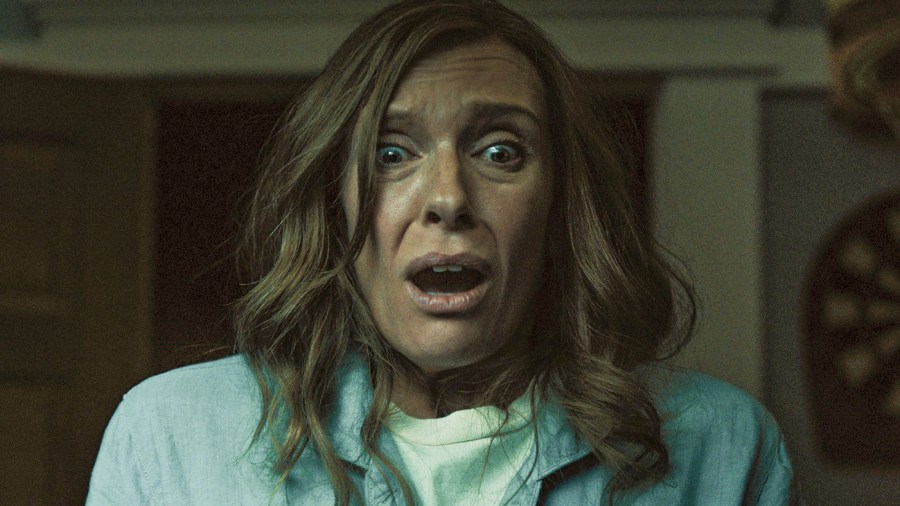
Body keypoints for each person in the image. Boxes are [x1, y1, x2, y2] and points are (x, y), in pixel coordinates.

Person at [87, 0, 796, 504]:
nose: (449, 197)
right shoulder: (173, 437)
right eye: (392, 153)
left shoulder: (720, 445)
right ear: (334, 206)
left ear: (560, 211)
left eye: (500, 151)